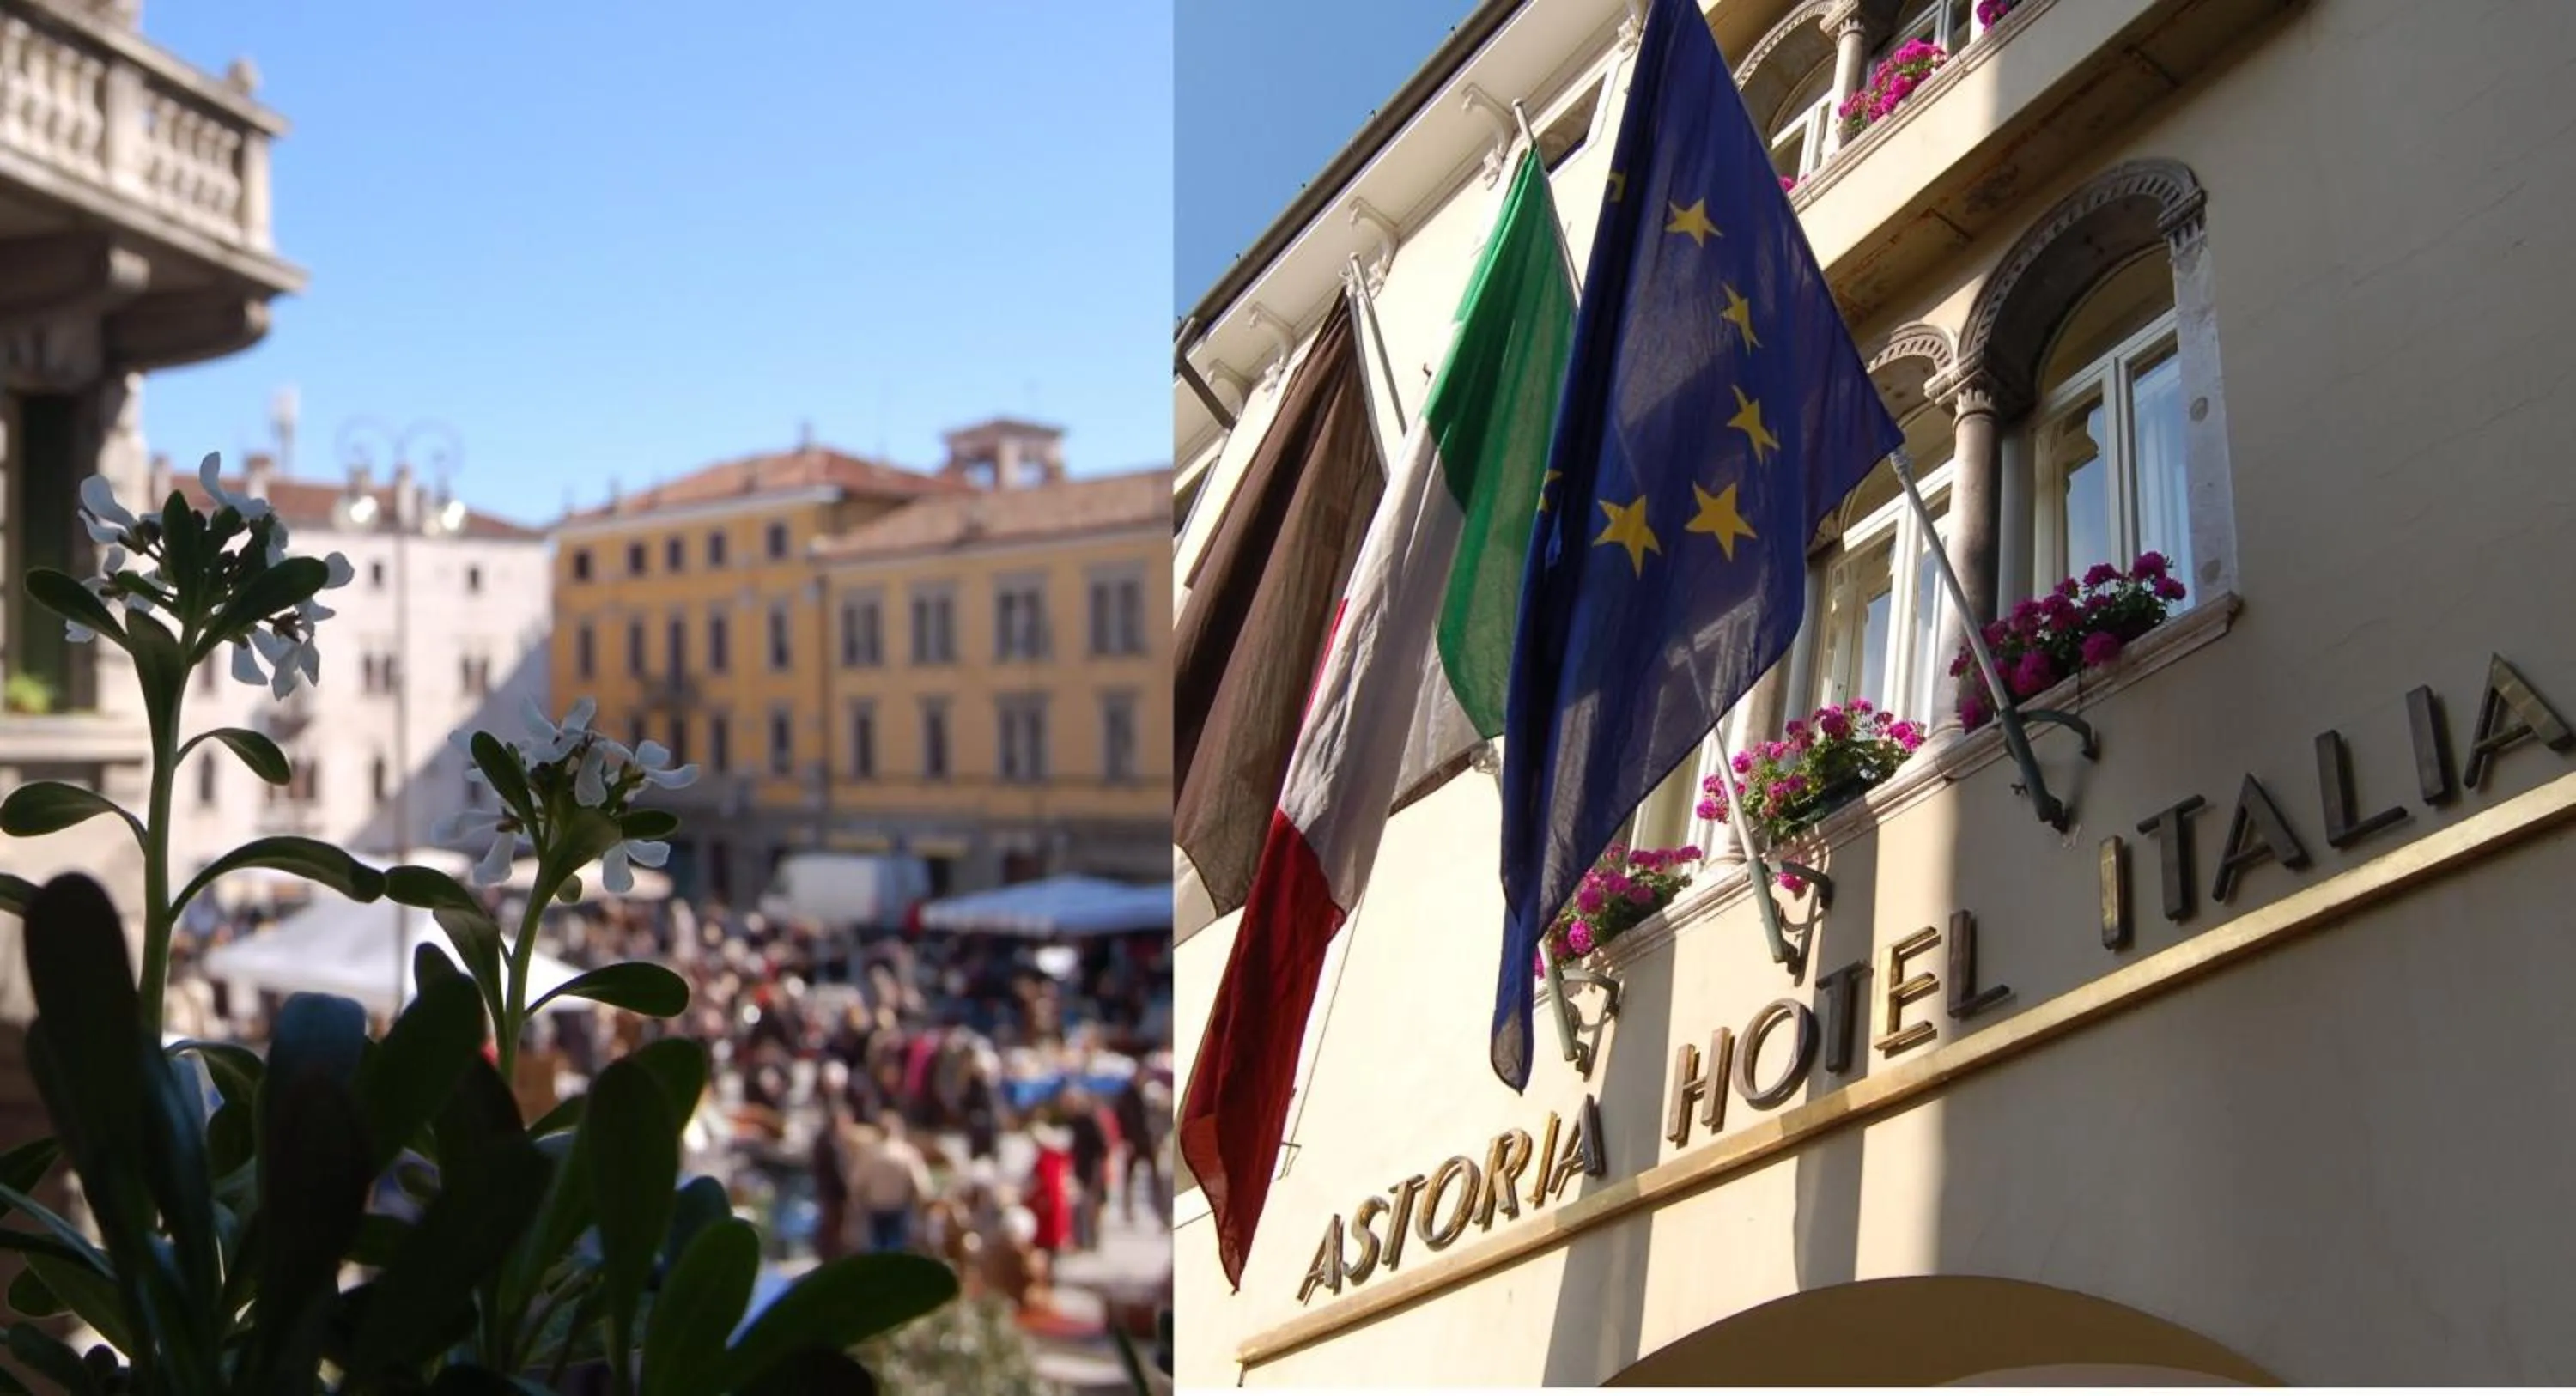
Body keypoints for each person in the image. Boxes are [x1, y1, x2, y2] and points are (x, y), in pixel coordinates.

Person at [848, 1114, 933, 1253]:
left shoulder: (869, 1154)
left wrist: (856, 1205)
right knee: (896, 1246)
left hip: (875, 1207)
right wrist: (921, 1206)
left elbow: (857, 1183)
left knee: (876, 1247)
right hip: (898, 1207)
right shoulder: (907, 1154)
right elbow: (921, 1184)